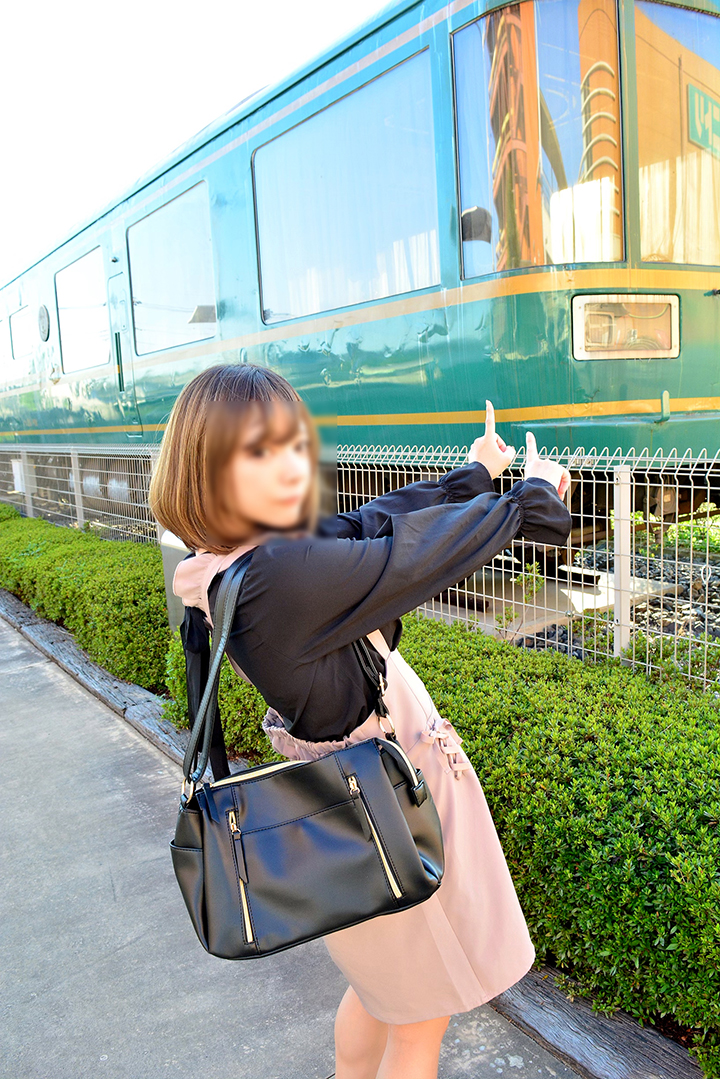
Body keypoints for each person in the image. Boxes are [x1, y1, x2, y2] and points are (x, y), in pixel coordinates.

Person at [149, 363, 572, 1079]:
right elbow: (405, 557)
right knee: (418, 1019)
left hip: (350, 811)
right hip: (386, 810)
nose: (290, 464)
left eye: (293, 443)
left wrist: (474, 474)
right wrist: (526, 501)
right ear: (207, 468)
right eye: (259, 451)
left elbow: (369, 525)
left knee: (383, 994)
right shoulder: (279, 579)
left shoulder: (230, 565)